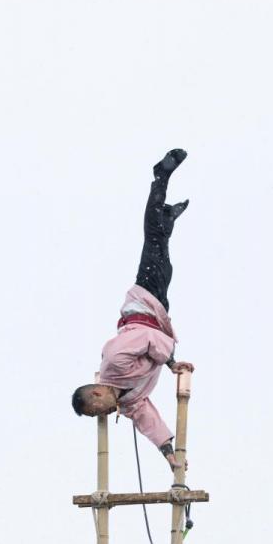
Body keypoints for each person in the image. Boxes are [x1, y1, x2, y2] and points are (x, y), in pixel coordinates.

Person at [71, 148, 194, 470]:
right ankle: (167, 220)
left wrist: (171, 364)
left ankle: (160, 178)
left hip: (143, 304)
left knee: (153, 243)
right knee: (163, 254)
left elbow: (148, 342)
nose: (106, 414)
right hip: (159, 311)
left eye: (99, 410)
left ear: (97, 395)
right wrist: (168, 451)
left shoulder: (115, 361)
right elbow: (147, 420)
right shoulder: (128, 400)